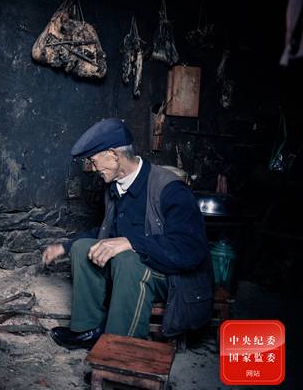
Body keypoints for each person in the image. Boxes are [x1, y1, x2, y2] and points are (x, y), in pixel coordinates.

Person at [42, 118, 213, 350]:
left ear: (114, 154)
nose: (92, 168)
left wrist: (130, 242)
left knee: (128, 259)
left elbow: (191, 250)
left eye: (94, 161)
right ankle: (87, 331)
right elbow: (107, 231)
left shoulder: (170, 189)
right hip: (134, 264)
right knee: (84, 249)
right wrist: (67, 246)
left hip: (173, 275)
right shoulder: (115, 186)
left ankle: (118, 350)